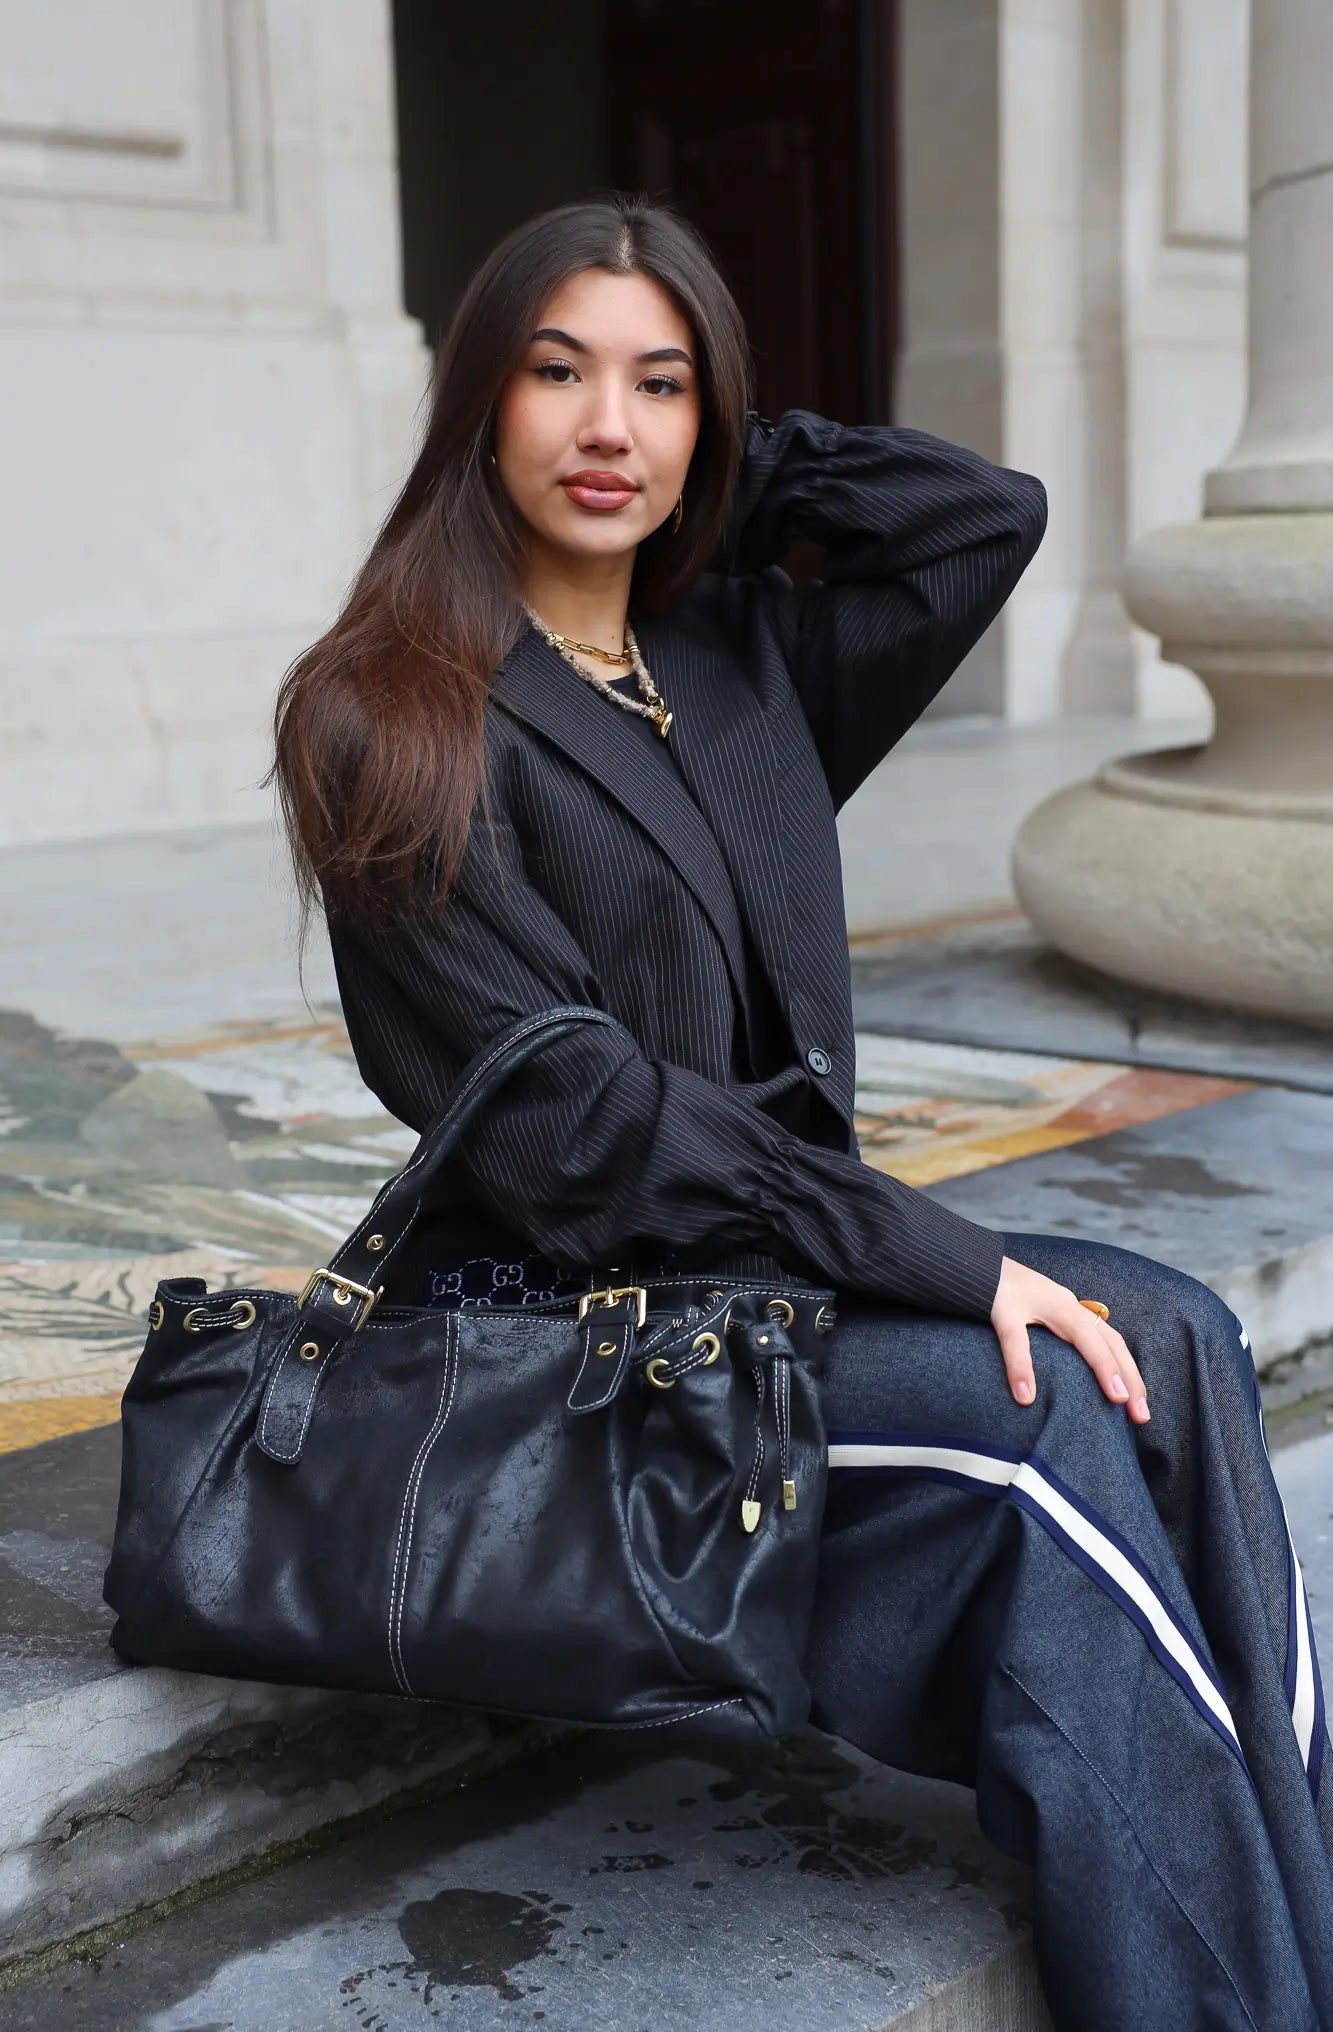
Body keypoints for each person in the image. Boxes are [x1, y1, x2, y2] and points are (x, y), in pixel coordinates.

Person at [269, 192, 1333, 2030]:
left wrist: (734, 471)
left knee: (1178, 1338)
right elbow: (586, 1132)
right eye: (558, 373)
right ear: (478, 401)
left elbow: (981, 518)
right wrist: (941, 1256)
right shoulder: (391, 714)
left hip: (761, 1275)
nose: (607, 426)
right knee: (1044, 1433)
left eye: (661, 385)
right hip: (570, 1333)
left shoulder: (731, 661)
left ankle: (1300, 1930)